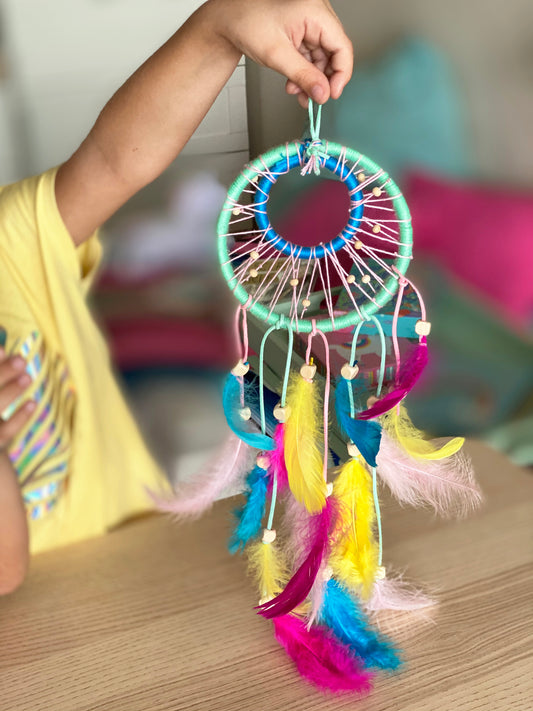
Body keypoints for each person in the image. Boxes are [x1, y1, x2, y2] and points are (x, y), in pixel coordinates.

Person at [0, 0, 353, 594]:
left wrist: (224, 23)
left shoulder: (11, 245)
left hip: (160, 567)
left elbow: (114, 160)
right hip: (58, 627)